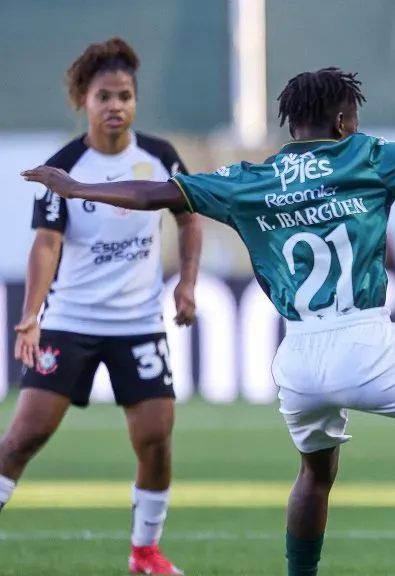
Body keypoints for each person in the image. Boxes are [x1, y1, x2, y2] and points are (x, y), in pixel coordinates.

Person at [20, 67, 395, 576]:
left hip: (299, 360)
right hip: (366, 343)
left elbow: (157, 195)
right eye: (353, 119)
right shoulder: (364, 156)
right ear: (342, 122)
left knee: (315, 475)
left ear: (291, 125)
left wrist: (76, 188)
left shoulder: (249, 180)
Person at [0, 37, 200, 575]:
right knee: (23, 438)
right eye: (104, 97)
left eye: (125, 96)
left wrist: (186, 284)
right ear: (83, 101)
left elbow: (188, 218)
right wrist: (31, 315)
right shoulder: (64, 167)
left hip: (139, 324)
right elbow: (46, 244)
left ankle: (145, 553)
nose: (116, 106)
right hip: (71, 321)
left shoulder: (159, 157)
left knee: (156, 442)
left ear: (136, 100)